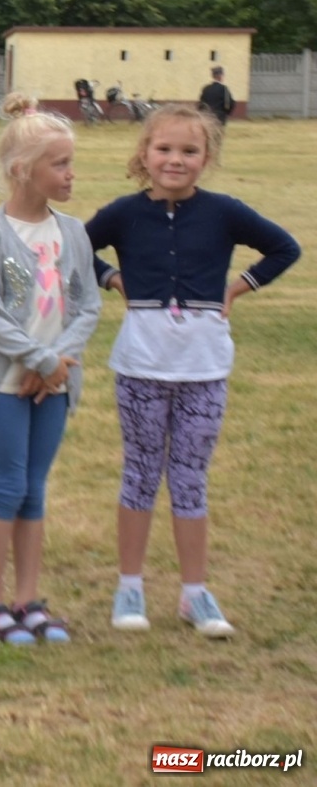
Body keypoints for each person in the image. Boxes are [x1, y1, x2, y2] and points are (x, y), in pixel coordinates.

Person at [86, 104, 299, 638]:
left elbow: (284, 247)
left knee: (189, 480)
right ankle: (129, 586)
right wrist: (112, 277)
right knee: (139, 475)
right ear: (144, 153)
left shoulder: (225, 212)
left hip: (204, 367)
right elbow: (73, 249)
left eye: (189, 151)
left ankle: (194, 593)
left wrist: (238, 287)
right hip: (140, 366)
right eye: (164, 149)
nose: (175, 160)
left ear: (206, 158)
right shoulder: (123, 214)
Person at [0, 94, 101, 645]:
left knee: (36, 489)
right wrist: (39, 361)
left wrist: (59, 366)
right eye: (60, 164)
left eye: (70, 163)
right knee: (9, 484)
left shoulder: (73, 233)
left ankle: (27, 599)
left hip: (56, 387)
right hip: (7, 382)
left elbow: (88, 304)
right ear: (24, 171)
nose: (71, 174)